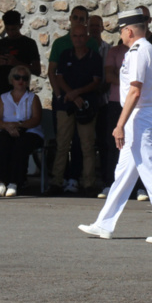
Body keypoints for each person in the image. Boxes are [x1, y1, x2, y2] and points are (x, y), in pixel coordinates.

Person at [78, 9, 152, 244]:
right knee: (124, 174)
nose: (121, 35)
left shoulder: (138, 52)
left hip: (140, 116)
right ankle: (104, 223)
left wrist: (120, 124)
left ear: (129, 30)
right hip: (145, 114)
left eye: (121, 30)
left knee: (151, 171)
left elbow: (135, 90)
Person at [50, 24, 102, 196]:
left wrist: (77, 93)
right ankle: (57, 181)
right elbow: (59, 77)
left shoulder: (95, 57)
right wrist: (71, 95)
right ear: (71, 37)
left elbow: (96, 82)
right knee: (62, 144)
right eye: (75, 36)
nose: (78, 39)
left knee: (87, 146)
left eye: (81, 36)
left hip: (86, 106)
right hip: (67, 104)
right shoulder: (66, 55)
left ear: (87, 38)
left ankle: (88, 183)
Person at [0, 66, 43, 198]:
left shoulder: (33, 98)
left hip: (28, 130)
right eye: (17, 77)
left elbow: (36, 119)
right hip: (7, 129)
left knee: (21, 144)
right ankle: (1, 182)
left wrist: (19, 125)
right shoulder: (3, 98)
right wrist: (7, 127)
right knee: (0, 141)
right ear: (11, 80)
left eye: (24, 78)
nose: (21, 81)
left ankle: (15, 182)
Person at [97, 39, 132, 199]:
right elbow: (109, 76)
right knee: (112, 143)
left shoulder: (142, 51)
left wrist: (122, 77)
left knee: (134, 144)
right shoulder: (115, 51)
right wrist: (128, 83)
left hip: (134, 103)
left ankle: (138, 187)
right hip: (116, 101)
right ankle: (109, 182)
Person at [0, 10, 41, 103]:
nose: (10, 33)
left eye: (13, 29)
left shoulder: (29, 44)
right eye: (7, 29)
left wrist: (16, 63)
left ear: (20, 26)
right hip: (2, 90)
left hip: (21, 90)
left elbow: (37, 70)